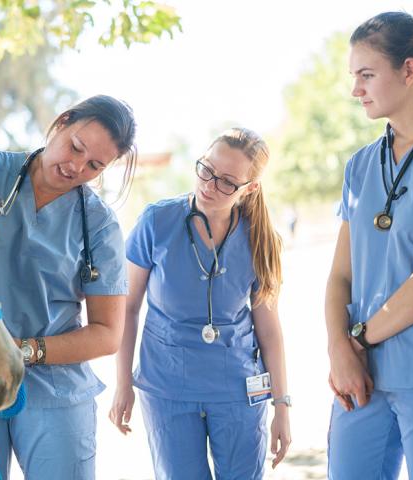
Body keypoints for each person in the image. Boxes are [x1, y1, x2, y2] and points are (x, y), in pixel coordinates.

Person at [0, 95, 137, 479]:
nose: (76, 167)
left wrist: (23, 352)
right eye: (76, 147)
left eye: (95, 166)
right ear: (61, 122)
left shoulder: (99, 225)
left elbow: (107, 335)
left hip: (52, 389)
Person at [110, 128, 291, 479]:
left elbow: (269, 331)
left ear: (249, 189)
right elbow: (127, 308)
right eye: (206, 170)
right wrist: (123, 384)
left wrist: (282, 405)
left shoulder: (260, 239)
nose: (209, 185)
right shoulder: (157, 222)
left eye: (227, 182)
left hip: (237, 389)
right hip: (167, 388)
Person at [325, 3, 413, 479]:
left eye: (366, 74)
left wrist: (356, 339)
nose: (355, 89)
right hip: (360, 377)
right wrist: (339, 348)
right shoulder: (360, 166)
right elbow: (341, 273)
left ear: (409, 70)